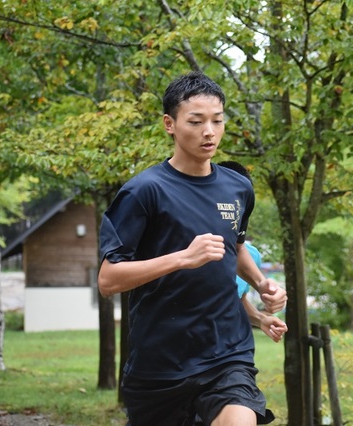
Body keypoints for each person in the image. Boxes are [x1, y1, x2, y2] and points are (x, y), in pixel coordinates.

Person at [97, 71, 287, 426]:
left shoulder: (238, 187)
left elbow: (235, 249)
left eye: (218, 121)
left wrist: (262, 284)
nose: (209, 132)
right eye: (196, 122)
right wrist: (182, 258)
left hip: (227, 356)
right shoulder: (143, 192)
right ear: (169, 124)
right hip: (160, 364)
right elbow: (108, 280)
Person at [217, 161, 288, 343]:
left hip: (230, 347)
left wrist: (260, 318)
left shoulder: (250, 255)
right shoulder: (184, 243)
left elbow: (237, 301)